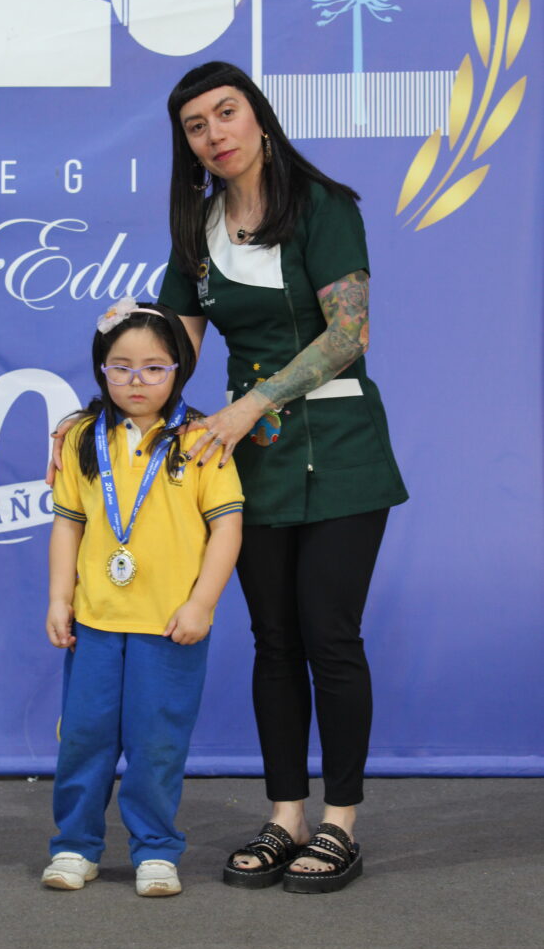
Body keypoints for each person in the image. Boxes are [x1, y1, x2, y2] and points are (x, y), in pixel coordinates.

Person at [156, 61, 408, 893]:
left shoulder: (322, 206)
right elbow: (170, 352)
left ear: (258, 118)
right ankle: (285, 815)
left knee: (329, 637)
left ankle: (340, 823)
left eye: (225, 113)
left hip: (340, 449)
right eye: (196, 126)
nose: (214, 134)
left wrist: (248, 404)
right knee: (273, 642)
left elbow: (348, 336)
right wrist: (98, 408)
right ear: (187, 145)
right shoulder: (195, 232)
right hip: (254, 459)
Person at [42, 298, 243, 897]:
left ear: (179, 369)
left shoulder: (203, 438)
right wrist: (59, 598)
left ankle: (156, 849)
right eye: (121, 367)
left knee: (157, 742)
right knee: (84, 738)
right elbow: (68, 525)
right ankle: (75, 846)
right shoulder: (80, 437)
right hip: (95, 621)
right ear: (101, 368)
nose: (137, 380)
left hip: (170, 625)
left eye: (155, 368)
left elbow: (227, 528)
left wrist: (202, 603)